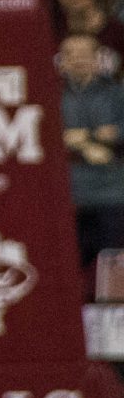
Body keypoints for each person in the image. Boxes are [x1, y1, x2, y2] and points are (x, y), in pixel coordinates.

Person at [59, 31, 124, 276]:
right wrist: (97, 140)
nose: (77, 60)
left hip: (111, 192)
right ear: (61, 60)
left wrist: (82, 139)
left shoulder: (117, 94)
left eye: (84, 54)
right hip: (69, 192)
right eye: (70, 54)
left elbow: (115, 133)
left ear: (98, 58)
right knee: (68, 263)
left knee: (111, 265)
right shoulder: (51, 94)